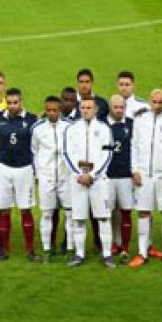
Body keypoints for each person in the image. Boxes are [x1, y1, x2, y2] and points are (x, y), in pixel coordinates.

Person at [128, 89, 162, 268]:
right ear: (150, 101)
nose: (157, 105)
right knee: (143, 212)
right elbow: (133, 145)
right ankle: (142, 253)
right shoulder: (140, 120)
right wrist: (134, 170)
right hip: (143, 174)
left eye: (160, 102)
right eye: (154, 102)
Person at [62, 98, 115, 268]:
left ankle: (107, 254)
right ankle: (79, 254)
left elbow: (107, 154)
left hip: (98, 181)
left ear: (96, 109)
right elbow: (66, 153)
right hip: (77, 180)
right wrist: (79, 174)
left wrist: (93, 175)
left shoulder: (104, 128)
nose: (85, 110)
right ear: (79, 109)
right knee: (79, 219)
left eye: (89, 107)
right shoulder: (71, 129)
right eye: (83, 107)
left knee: (104, 218)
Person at [0, 89, 38, 262]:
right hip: (3, 168)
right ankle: (4, 249)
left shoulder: (32, 120)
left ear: (21, 102)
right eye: (9, 103)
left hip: (24, 168)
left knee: (26, 209)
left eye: (15, 103)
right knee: (4, 210)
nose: (12, 106)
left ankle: (30, 250)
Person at [33, 96, 73, 260]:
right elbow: (34, 152)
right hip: (46, 176)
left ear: (60, 110)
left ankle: (70, 249)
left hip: (66, 176)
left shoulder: (69, 127)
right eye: (48, 110)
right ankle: (47, 250)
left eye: (54, 110)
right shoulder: (37, 129)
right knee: (47, 214)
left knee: (70, 214)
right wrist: (38, 174)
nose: (51, 113)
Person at [105, 95, 135, 262]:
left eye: (121, 107)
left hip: (125, 175)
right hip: (107, 176)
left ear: (125, 108)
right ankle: (111, 245)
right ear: (110, 107)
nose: (118, 110)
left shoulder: (131, 124)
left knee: (125, 212)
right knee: (108, 213)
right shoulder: (102, 125)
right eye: (115, 107)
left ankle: (125, 248)